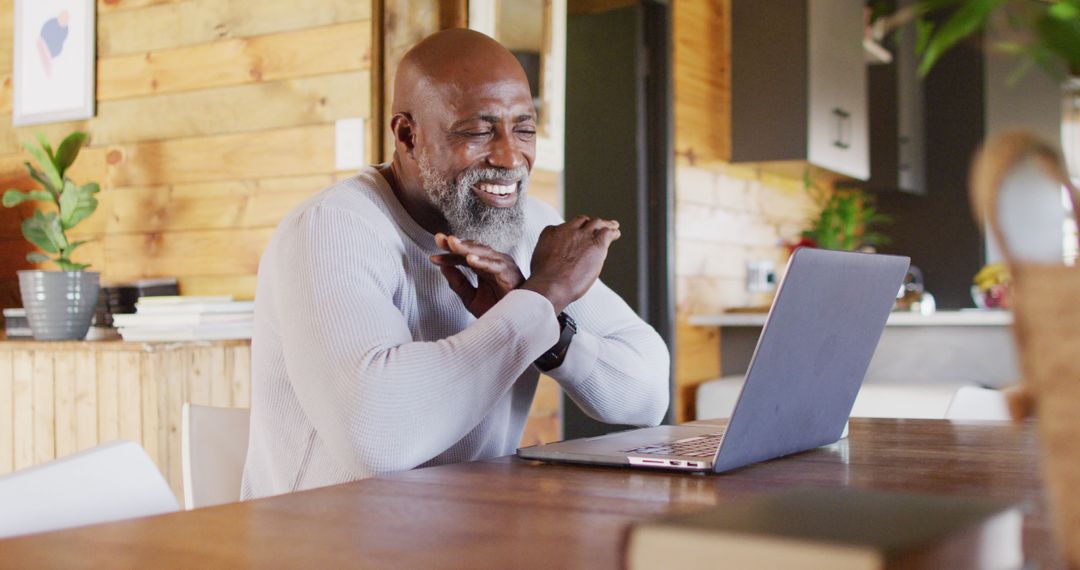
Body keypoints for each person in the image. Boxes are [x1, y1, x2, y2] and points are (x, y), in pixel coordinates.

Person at [241, 29, 669, 499]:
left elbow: (647, 395)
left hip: (471, 529)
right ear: (408, 136)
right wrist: (539, 297)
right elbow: (378, 436)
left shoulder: (527, 227)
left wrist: (550, 336)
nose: (510, 157)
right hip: (322, 540)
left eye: (524, 128)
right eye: (478, 130)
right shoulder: (330, 228)